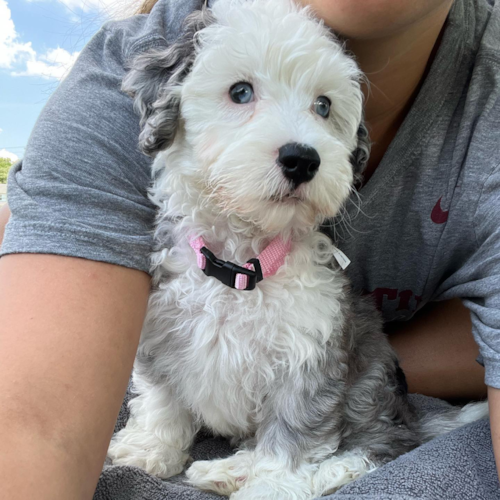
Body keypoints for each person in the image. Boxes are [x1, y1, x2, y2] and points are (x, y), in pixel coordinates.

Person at [0, 0, 498, 498]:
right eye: (241, 93)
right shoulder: (128, 78)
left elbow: (312, 386)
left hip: (342, 425)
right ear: (171, 105)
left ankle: (299, 462)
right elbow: (43, 420)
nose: (299, 141)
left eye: (323, 108)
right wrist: (160, 430)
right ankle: (165, 432)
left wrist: (283, 469)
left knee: (320, 381)